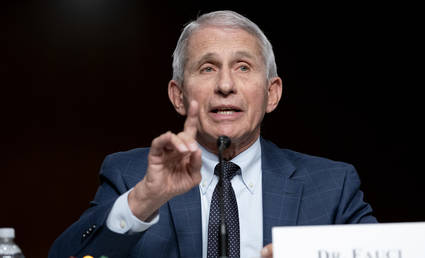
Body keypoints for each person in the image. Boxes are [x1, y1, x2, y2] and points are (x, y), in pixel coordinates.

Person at [49, 10, 377, 258]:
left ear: (272, 94)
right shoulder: (130, 177)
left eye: (243, 67)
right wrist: (145, 198)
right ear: (178, 95)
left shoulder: (332, 187)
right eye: (207, 68)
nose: (225, 85)